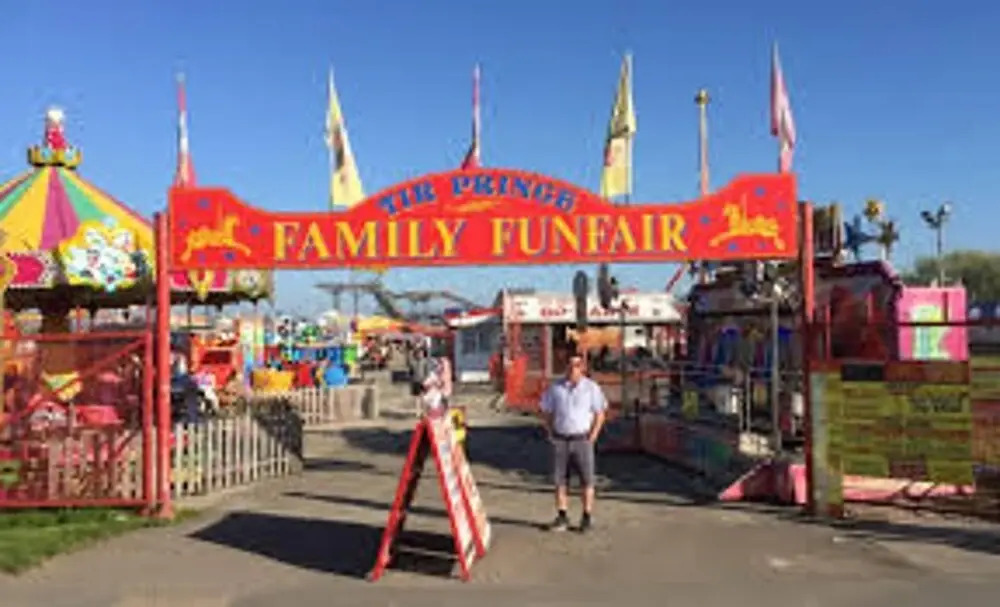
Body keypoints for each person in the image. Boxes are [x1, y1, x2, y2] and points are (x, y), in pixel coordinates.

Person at [539, 353, 607, 533]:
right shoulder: (555, 388)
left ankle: (587, 516)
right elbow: (546, 411)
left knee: (587, 480)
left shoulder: (591, 388)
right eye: (569, 365)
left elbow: (600, 413)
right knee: (560, 480)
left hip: (582, 439)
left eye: (576, 365)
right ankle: (562, 516)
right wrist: (550, 432)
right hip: (561, 439)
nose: (572, 369)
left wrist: (593, 436)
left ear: (582, 368)